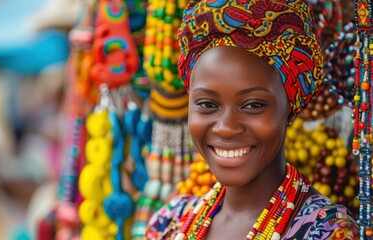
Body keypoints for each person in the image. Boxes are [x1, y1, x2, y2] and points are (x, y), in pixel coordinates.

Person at [144, 0, 360, 239]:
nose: (226, 127)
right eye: (207, 104)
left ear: (290, 110)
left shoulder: (328, 232)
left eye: (253, 105)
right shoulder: (169, 222)